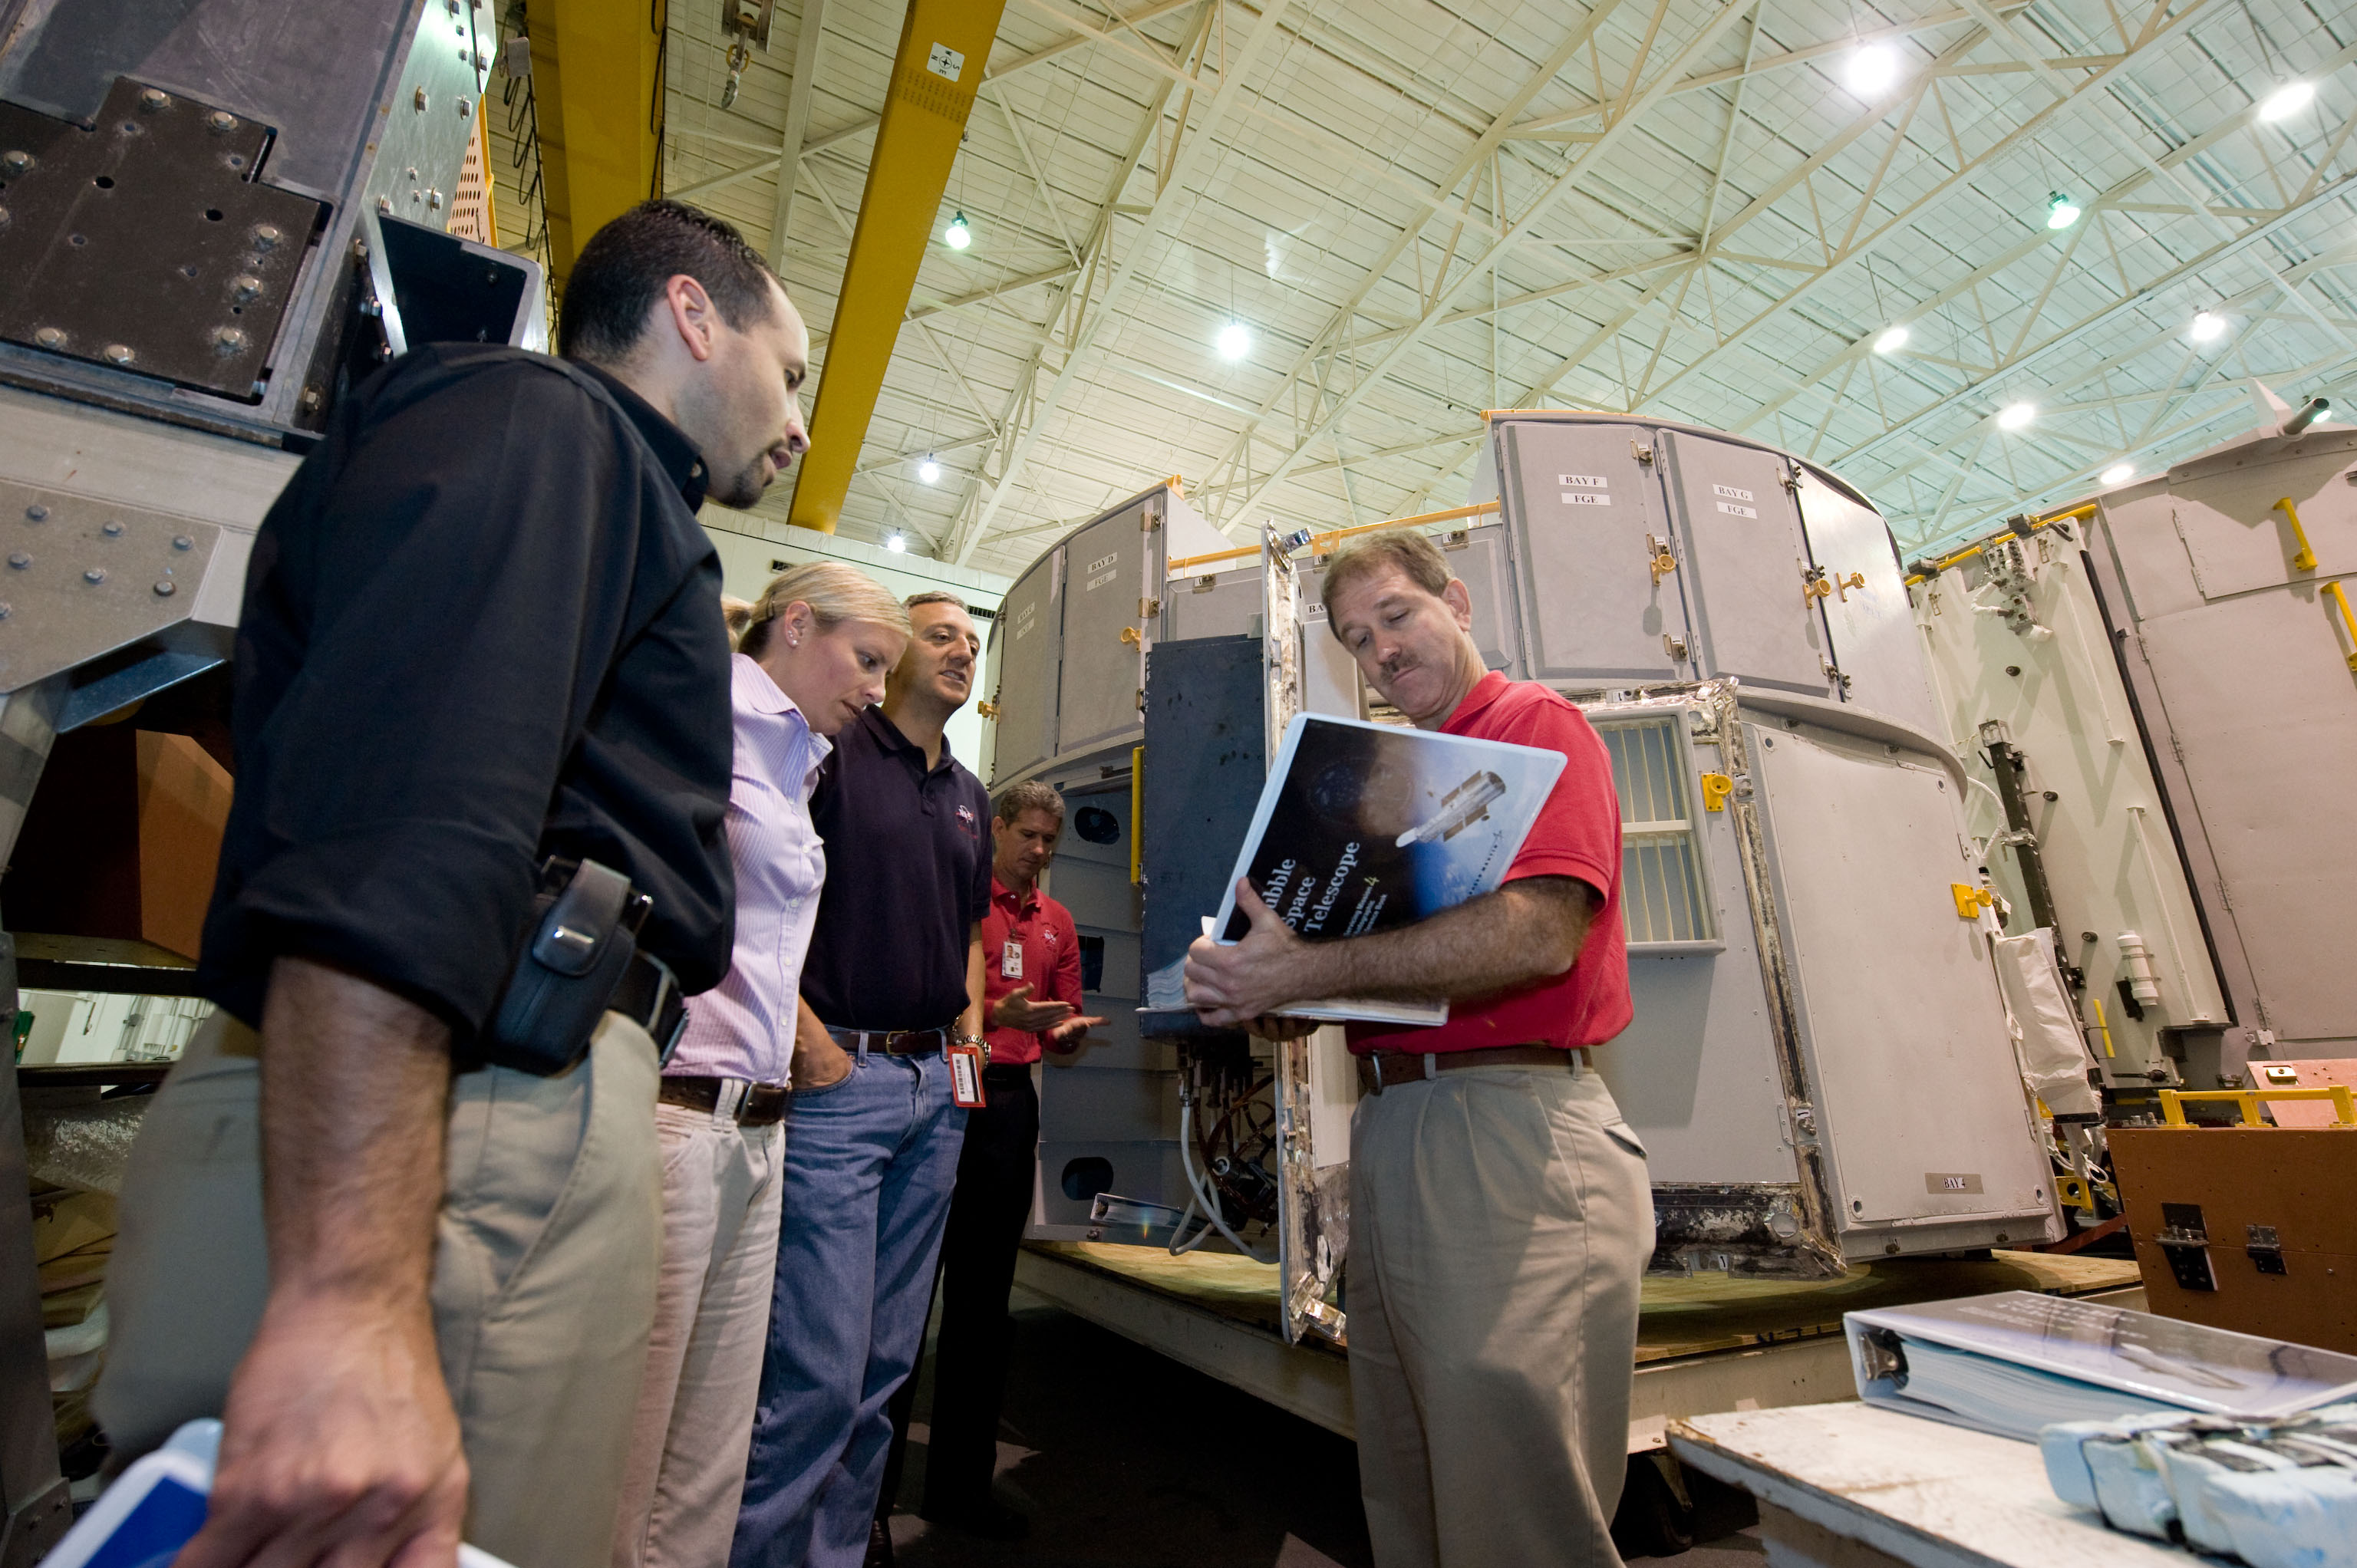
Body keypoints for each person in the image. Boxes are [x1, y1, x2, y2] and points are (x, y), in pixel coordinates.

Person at [94, 199, 810, 1568]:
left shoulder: (593, 478)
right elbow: (405, 832)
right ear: (692, 313)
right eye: (790, 372)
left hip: (488, 1101)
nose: (797, 421)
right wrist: (354, 1300)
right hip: (461, 1118)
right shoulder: (545, 424)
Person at [1183, 528, 1651, 1568]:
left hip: (1511, 1132)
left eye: (1396, 616)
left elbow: (1540, 930)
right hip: (1400, 1126)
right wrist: (1251, 987)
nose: (1381, 652)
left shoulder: (1535, 728)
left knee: (1513, 1507)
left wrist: (1299, 973)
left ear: (1460, 603)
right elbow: (1374, 978)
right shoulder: (1388, 782)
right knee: (1415, 1482)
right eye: (1357, 637)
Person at [612, 563, 912, 1568]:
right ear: (794, 625)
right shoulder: (703, 717)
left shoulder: (800, 765)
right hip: (675, 1103)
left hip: (761, 1123)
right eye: (867, 661)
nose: (876, 691)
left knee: (712, 1445)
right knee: (633, 1436)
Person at [732, 593, 992, 1568]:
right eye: (940, 638)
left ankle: (833, 1556)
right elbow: (758, 894)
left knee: (885, 1372)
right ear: (892, 662)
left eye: (975, 642)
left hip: (938, 1095)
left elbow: (970, 933)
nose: (963, 651)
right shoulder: (832, 756)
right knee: (820, 1375)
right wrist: (813, 1048)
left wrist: (965, 1053)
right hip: (842, 1088)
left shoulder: (972, 792)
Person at [918, 781, 1104, 1540]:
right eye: (1028, 836)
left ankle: (959, 1492)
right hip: (947, 1084)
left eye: (1050, 842)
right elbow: (935, 1004)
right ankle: (858, 1500)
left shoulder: (1058, 922)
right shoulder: (963, 901)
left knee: (982, 1302)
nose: (1039, 852)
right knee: (904, 1293)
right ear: (995, 829)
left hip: (1009, 1106)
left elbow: (1067, 1036)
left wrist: (1066, 1036)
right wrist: (995, 1014)